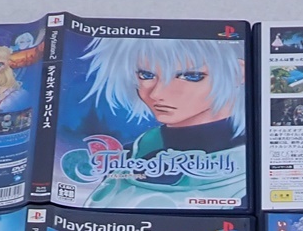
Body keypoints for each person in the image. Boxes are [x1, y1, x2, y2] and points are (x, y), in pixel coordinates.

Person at [79, 37, 247, 207]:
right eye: (147, 75)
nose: (156, 94)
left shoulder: (249, 162)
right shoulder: (130, 154)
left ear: (237, 73)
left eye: (191, 76)